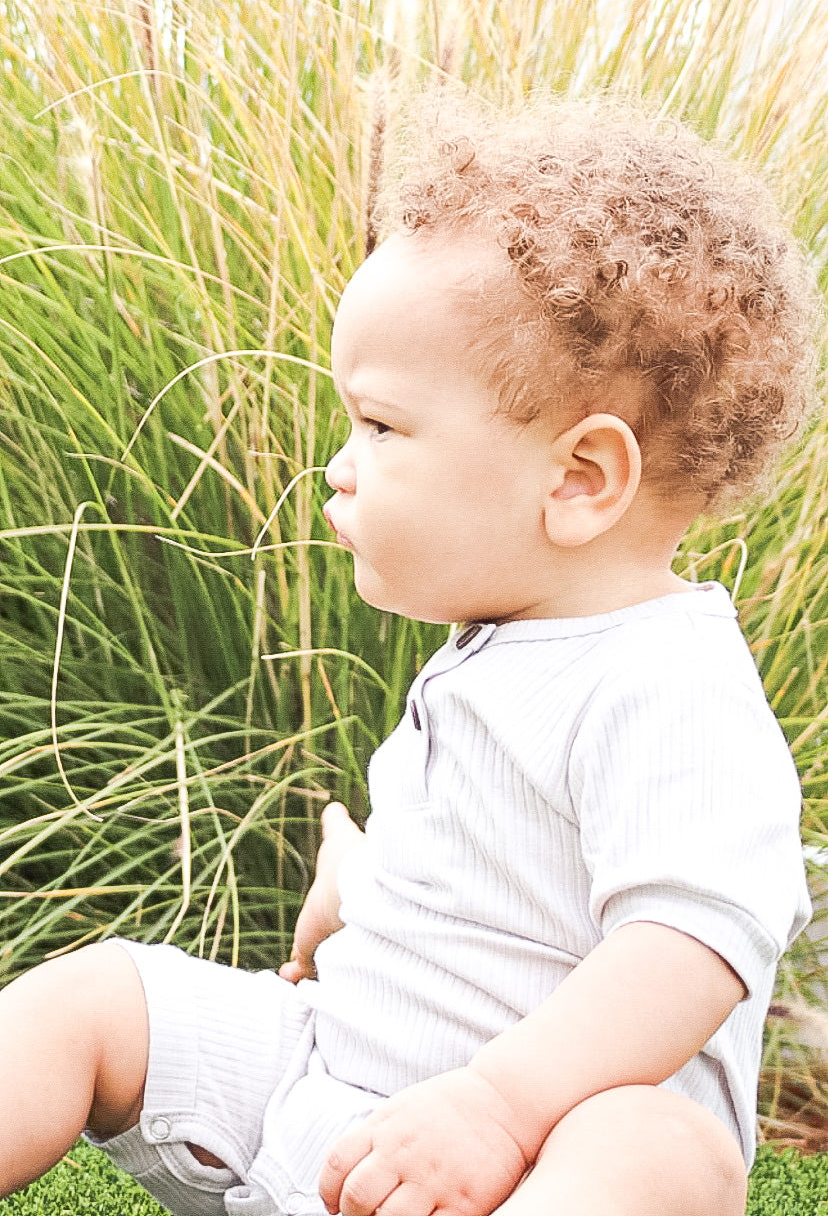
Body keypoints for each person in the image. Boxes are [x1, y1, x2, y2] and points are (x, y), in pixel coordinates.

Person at [0, 95, 819, 1216]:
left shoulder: (671, 684)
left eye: (380, 428)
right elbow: (502, 897)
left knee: (661, 1151)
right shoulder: (502, 636)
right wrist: (365, 885)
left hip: (518, 1164)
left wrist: (494, 1107)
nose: (340, 466)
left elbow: (694, 940)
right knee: (96, 999)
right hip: (336, 1100)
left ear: (580, 479)